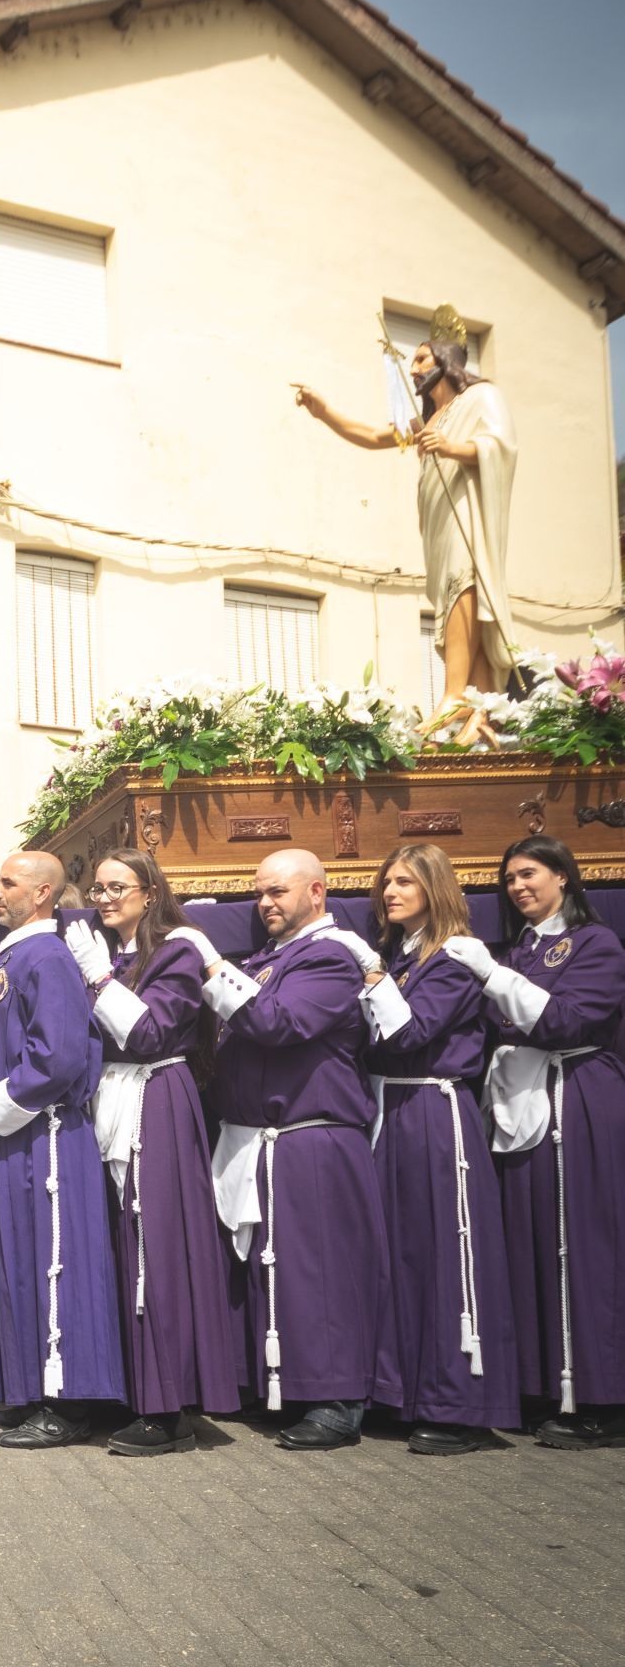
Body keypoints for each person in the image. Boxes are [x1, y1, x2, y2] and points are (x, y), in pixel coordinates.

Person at [202, 849, 401, 1447]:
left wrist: (212, 967)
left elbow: (279, 1024)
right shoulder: (268, 958)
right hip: (261, 1138)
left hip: (313, 1134)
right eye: (259, 893)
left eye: (278, 892)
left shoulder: (330, 955)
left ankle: (336, 1399)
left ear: (316, 892)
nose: (265, 903)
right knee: (271, 1269)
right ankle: (284, 1386)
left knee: (321, 1271)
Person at [444, 837, 625, 1447]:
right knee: (533, 1243)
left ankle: (602, 1399)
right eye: (510, 879)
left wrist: (493, 976)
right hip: (526, 1104)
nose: (518, 887)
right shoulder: (525, 948)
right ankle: (548, 1384)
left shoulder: (594, 943)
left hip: (575, 1095)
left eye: (530, 874)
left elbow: (568, 1022)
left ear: (564, 878)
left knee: (583, 1245)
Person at [63, 853, 238, 1455]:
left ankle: (170, 1408)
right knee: (120, 1245)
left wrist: (98, 981)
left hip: (156, 1098)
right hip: (114, 1098)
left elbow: (150, 1034)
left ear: (151, 890)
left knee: (155, 1246)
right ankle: (132, 1391)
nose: (105, 897)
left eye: (118, 887)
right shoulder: (117, 955)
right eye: (98, 888)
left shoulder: (177, 950)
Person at [293, 309, 516, 746]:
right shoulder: (424, 421)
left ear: (447, 361)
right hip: (434, 521)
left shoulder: (480, 398)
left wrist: (454, 447)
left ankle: (455, 694)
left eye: (420, 360)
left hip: (466, 512)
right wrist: (324, 414)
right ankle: (481, 703)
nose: (412, 370)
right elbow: (374, 436)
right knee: (452, 592)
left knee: (463, 586)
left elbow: (502, 445)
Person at [360, 844, 519, 1452]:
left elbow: (409, 1034)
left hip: (433, 1109)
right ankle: (403, 1393)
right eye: (386, 882)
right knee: (397, 1254)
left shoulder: (451, 959)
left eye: (404, 881)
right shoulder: (399, 957)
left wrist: (371, 983)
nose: (390, 892)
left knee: (447, 1252)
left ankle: (461, 1406)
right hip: (390, 1110)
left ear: (435, 886)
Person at [0, 851, 123, 1449]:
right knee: (20, 1261)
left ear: (43, 895)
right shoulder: (12, 956)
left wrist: (7, 1101)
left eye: (8, 882)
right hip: (18, 1129)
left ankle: (70, 1397)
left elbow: (58, 1053)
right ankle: (32, 1387)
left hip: (48, 1131)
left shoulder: (48, 956)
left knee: (58, 1258)